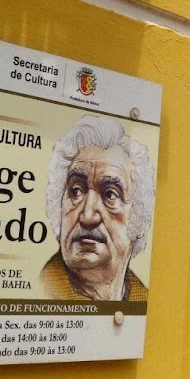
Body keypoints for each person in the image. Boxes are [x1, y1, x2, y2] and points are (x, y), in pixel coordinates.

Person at [40, 115, 154, 302]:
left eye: (110, 194)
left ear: (138, 216)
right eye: (76, 191)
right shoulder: (42, 292)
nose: (88, 215)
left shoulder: (146, 303)